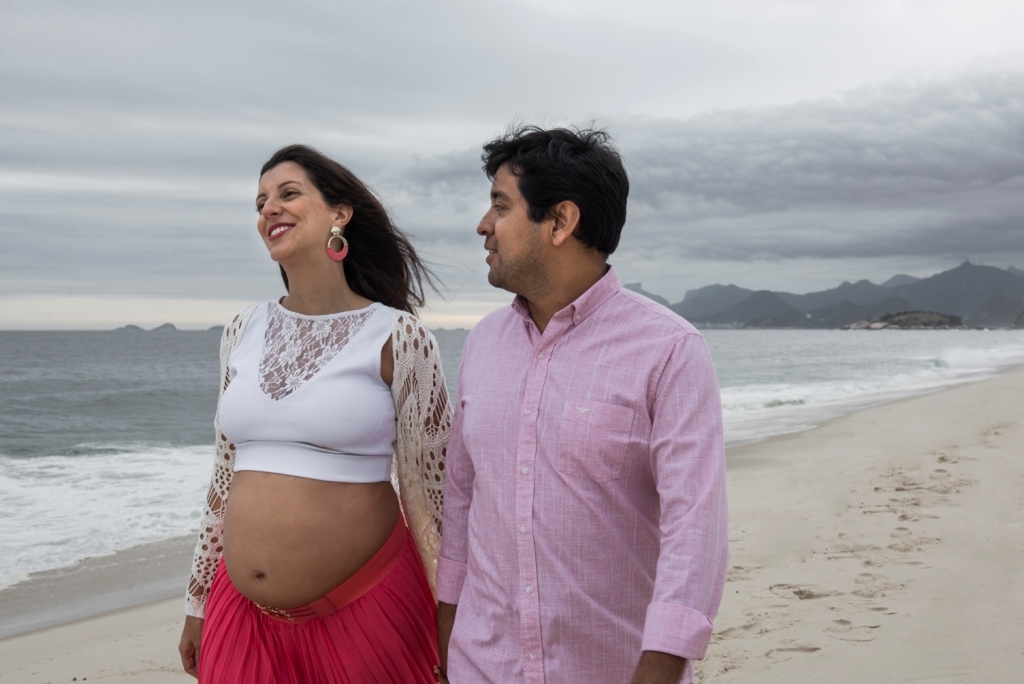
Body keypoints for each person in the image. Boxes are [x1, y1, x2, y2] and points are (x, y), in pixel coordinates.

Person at [435, 127, 729, 684]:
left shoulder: (669, 350)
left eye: (501, 205)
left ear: (560, 221)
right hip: (482, 665)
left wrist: (660, 669)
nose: (484, 225)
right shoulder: (482, 344)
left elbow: (695, 527)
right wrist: (446, 641)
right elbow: (461, 501)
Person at [177, 144, 451, 683]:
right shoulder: (242, 330)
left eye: (288, 193)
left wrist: (449, 613)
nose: (269, 209)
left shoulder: (399, 336)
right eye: (260, 202)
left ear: (339, 212)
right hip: (240, 616)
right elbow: (224, 477)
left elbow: (432, 494)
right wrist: (197, 600)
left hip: (366, 611)